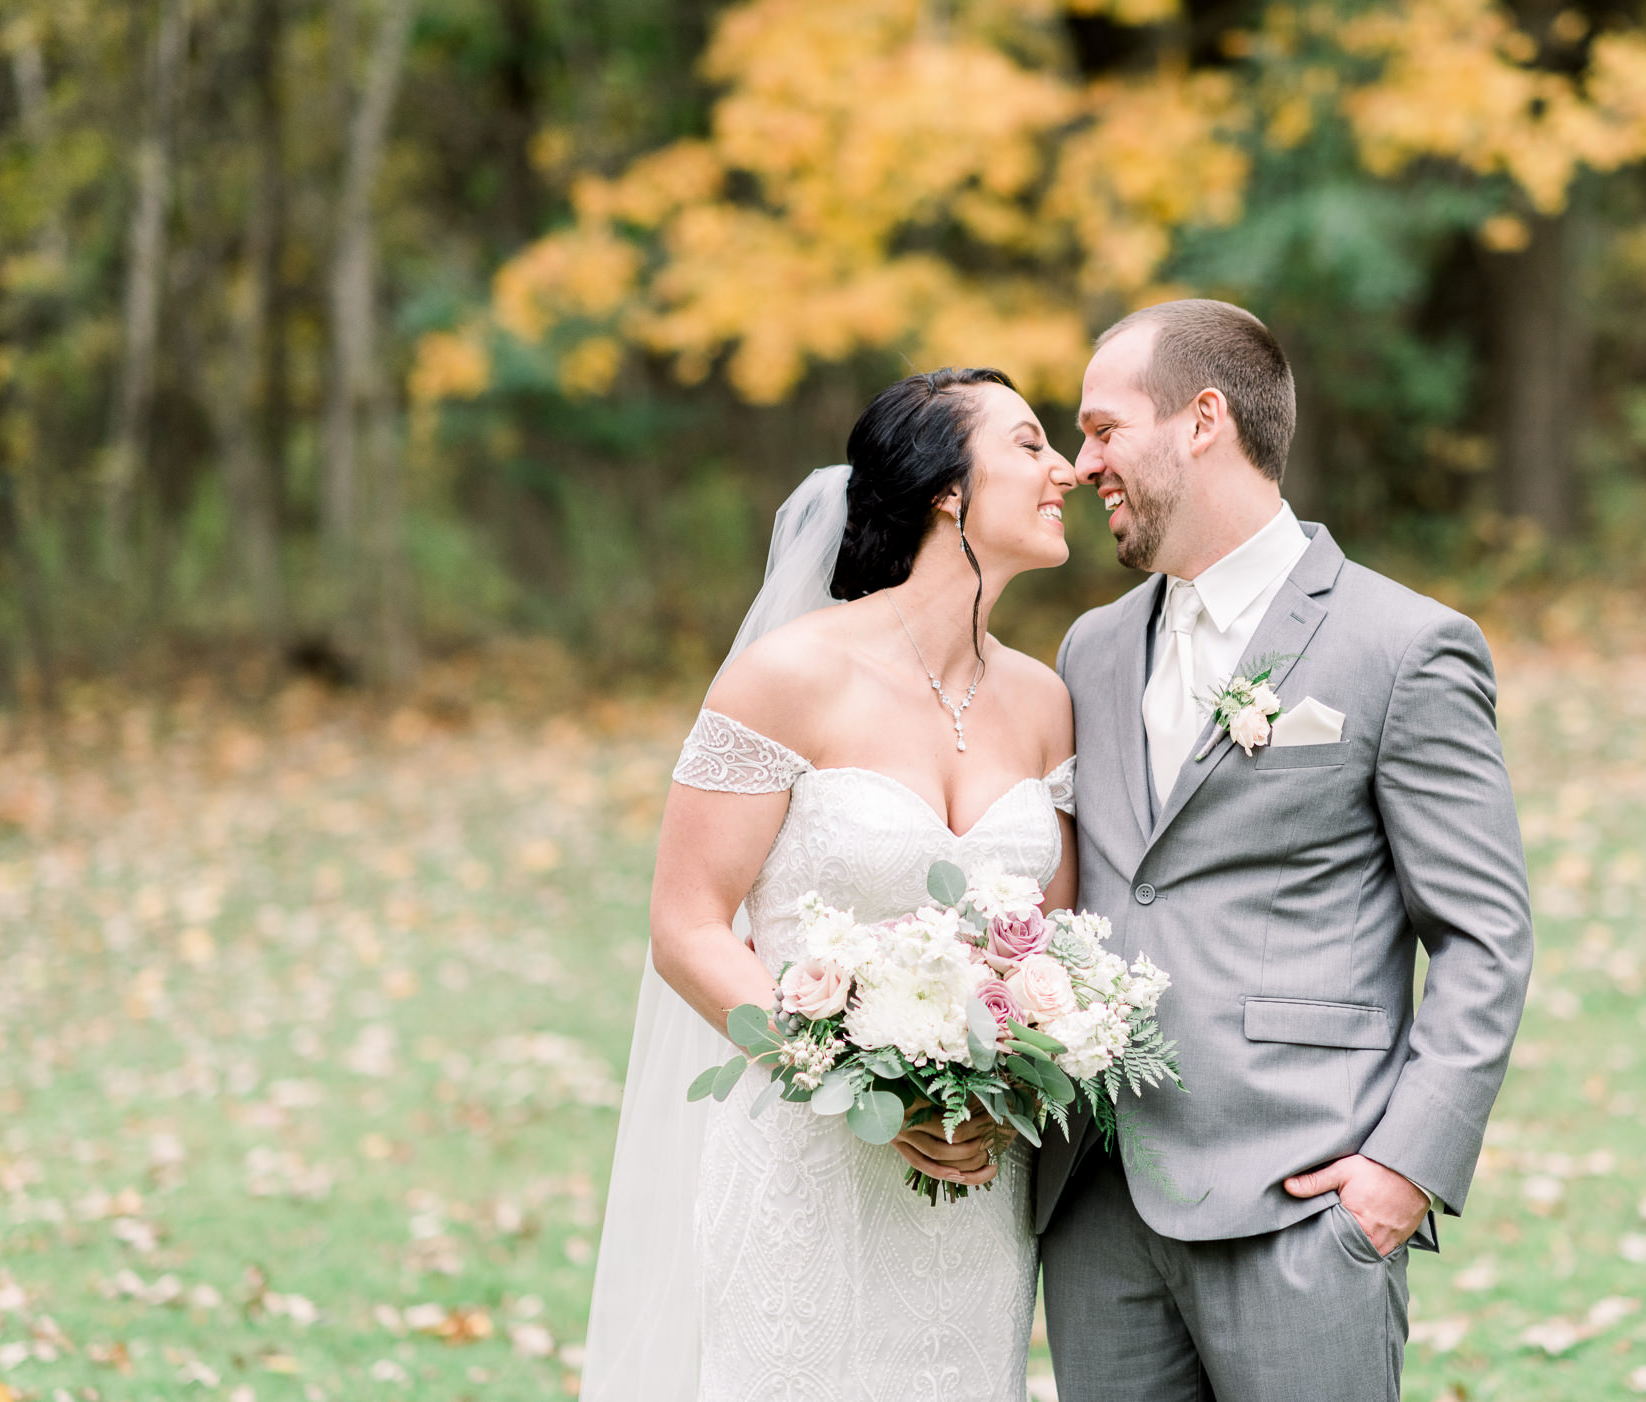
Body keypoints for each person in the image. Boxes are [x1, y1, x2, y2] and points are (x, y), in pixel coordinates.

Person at [1036, 298, 1534, 1402]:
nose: (1083, 465)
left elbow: (1484, 935)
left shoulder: (1401, 648)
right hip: (1098, 1207)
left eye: (1104, 429)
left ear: (1203, 418)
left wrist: (1405, 1168)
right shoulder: (1092, 648)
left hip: (1300, 1205)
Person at [579, 368, 1080, 1401]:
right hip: (803, 1158)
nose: (1065, 468)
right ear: (949, 488)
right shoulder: (785, 675)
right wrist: (848, 1078)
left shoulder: (1043, 701)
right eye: (1031, 444)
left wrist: (1015, 1067)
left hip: (973, 1174)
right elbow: (687, 926)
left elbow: (1057, 943)